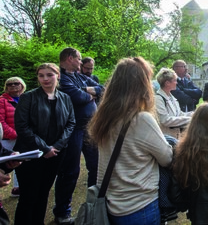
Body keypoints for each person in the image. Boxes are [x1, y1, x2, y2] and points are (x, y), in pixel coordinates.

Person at [88, 57, 173, 225]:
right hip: (139, 205)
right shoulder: (141, 119)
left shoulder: (105, 116)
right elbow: (167, 158)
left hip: (112, 202)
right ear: (141, 85)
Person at [14, 63, 76, 225]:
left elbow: (71, 123)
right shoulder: (28, 97)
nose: (45, 79)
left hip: (55, 155)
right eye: (41, 75)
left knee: (43, 194)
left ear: (58, 76)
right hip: (30, 154)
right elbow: (22, 126)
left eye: (49, 75)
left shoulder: (65, 98)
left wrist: (57, 146)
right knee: (29, 197)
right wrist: (45, 148)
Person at [54, 47, 104, 224]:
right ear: (70, 58)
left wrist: (86, 90)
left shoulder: (79, 76)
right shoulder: (61, 77)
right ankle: (62, 211)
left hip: (89, 129)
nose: (81, 62)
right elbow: (77, 97)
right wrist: (89, 93)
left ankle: (93, 205)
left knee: (96, 167)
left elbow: (102, 88)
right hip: (73, 129)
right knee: (70, 171)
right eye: (79, 59)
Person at [0, 77, 26, 197]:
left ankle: (20, 187)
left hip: (24, 136)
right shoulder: (2, 100)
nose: (13, 86)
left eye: (17, 83)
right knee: (8, 162)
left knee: (20, 160)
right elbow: (1, 122)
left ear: (22, 85)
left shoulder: (26, 99)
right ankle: (15, 187)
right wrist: (15, 134)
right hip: (8, 139)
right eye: (10, 84)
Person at [155, 68, 191, 139]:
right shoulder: (158, 99)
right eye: (175, 80)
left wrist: (194, 114)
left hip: (175, 136)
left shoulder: (172, 97)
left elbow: (179, 114)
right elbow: (165, 120)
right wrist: (191, 119)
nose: (176, 83)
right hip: (165, 138)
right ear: (167, 83)